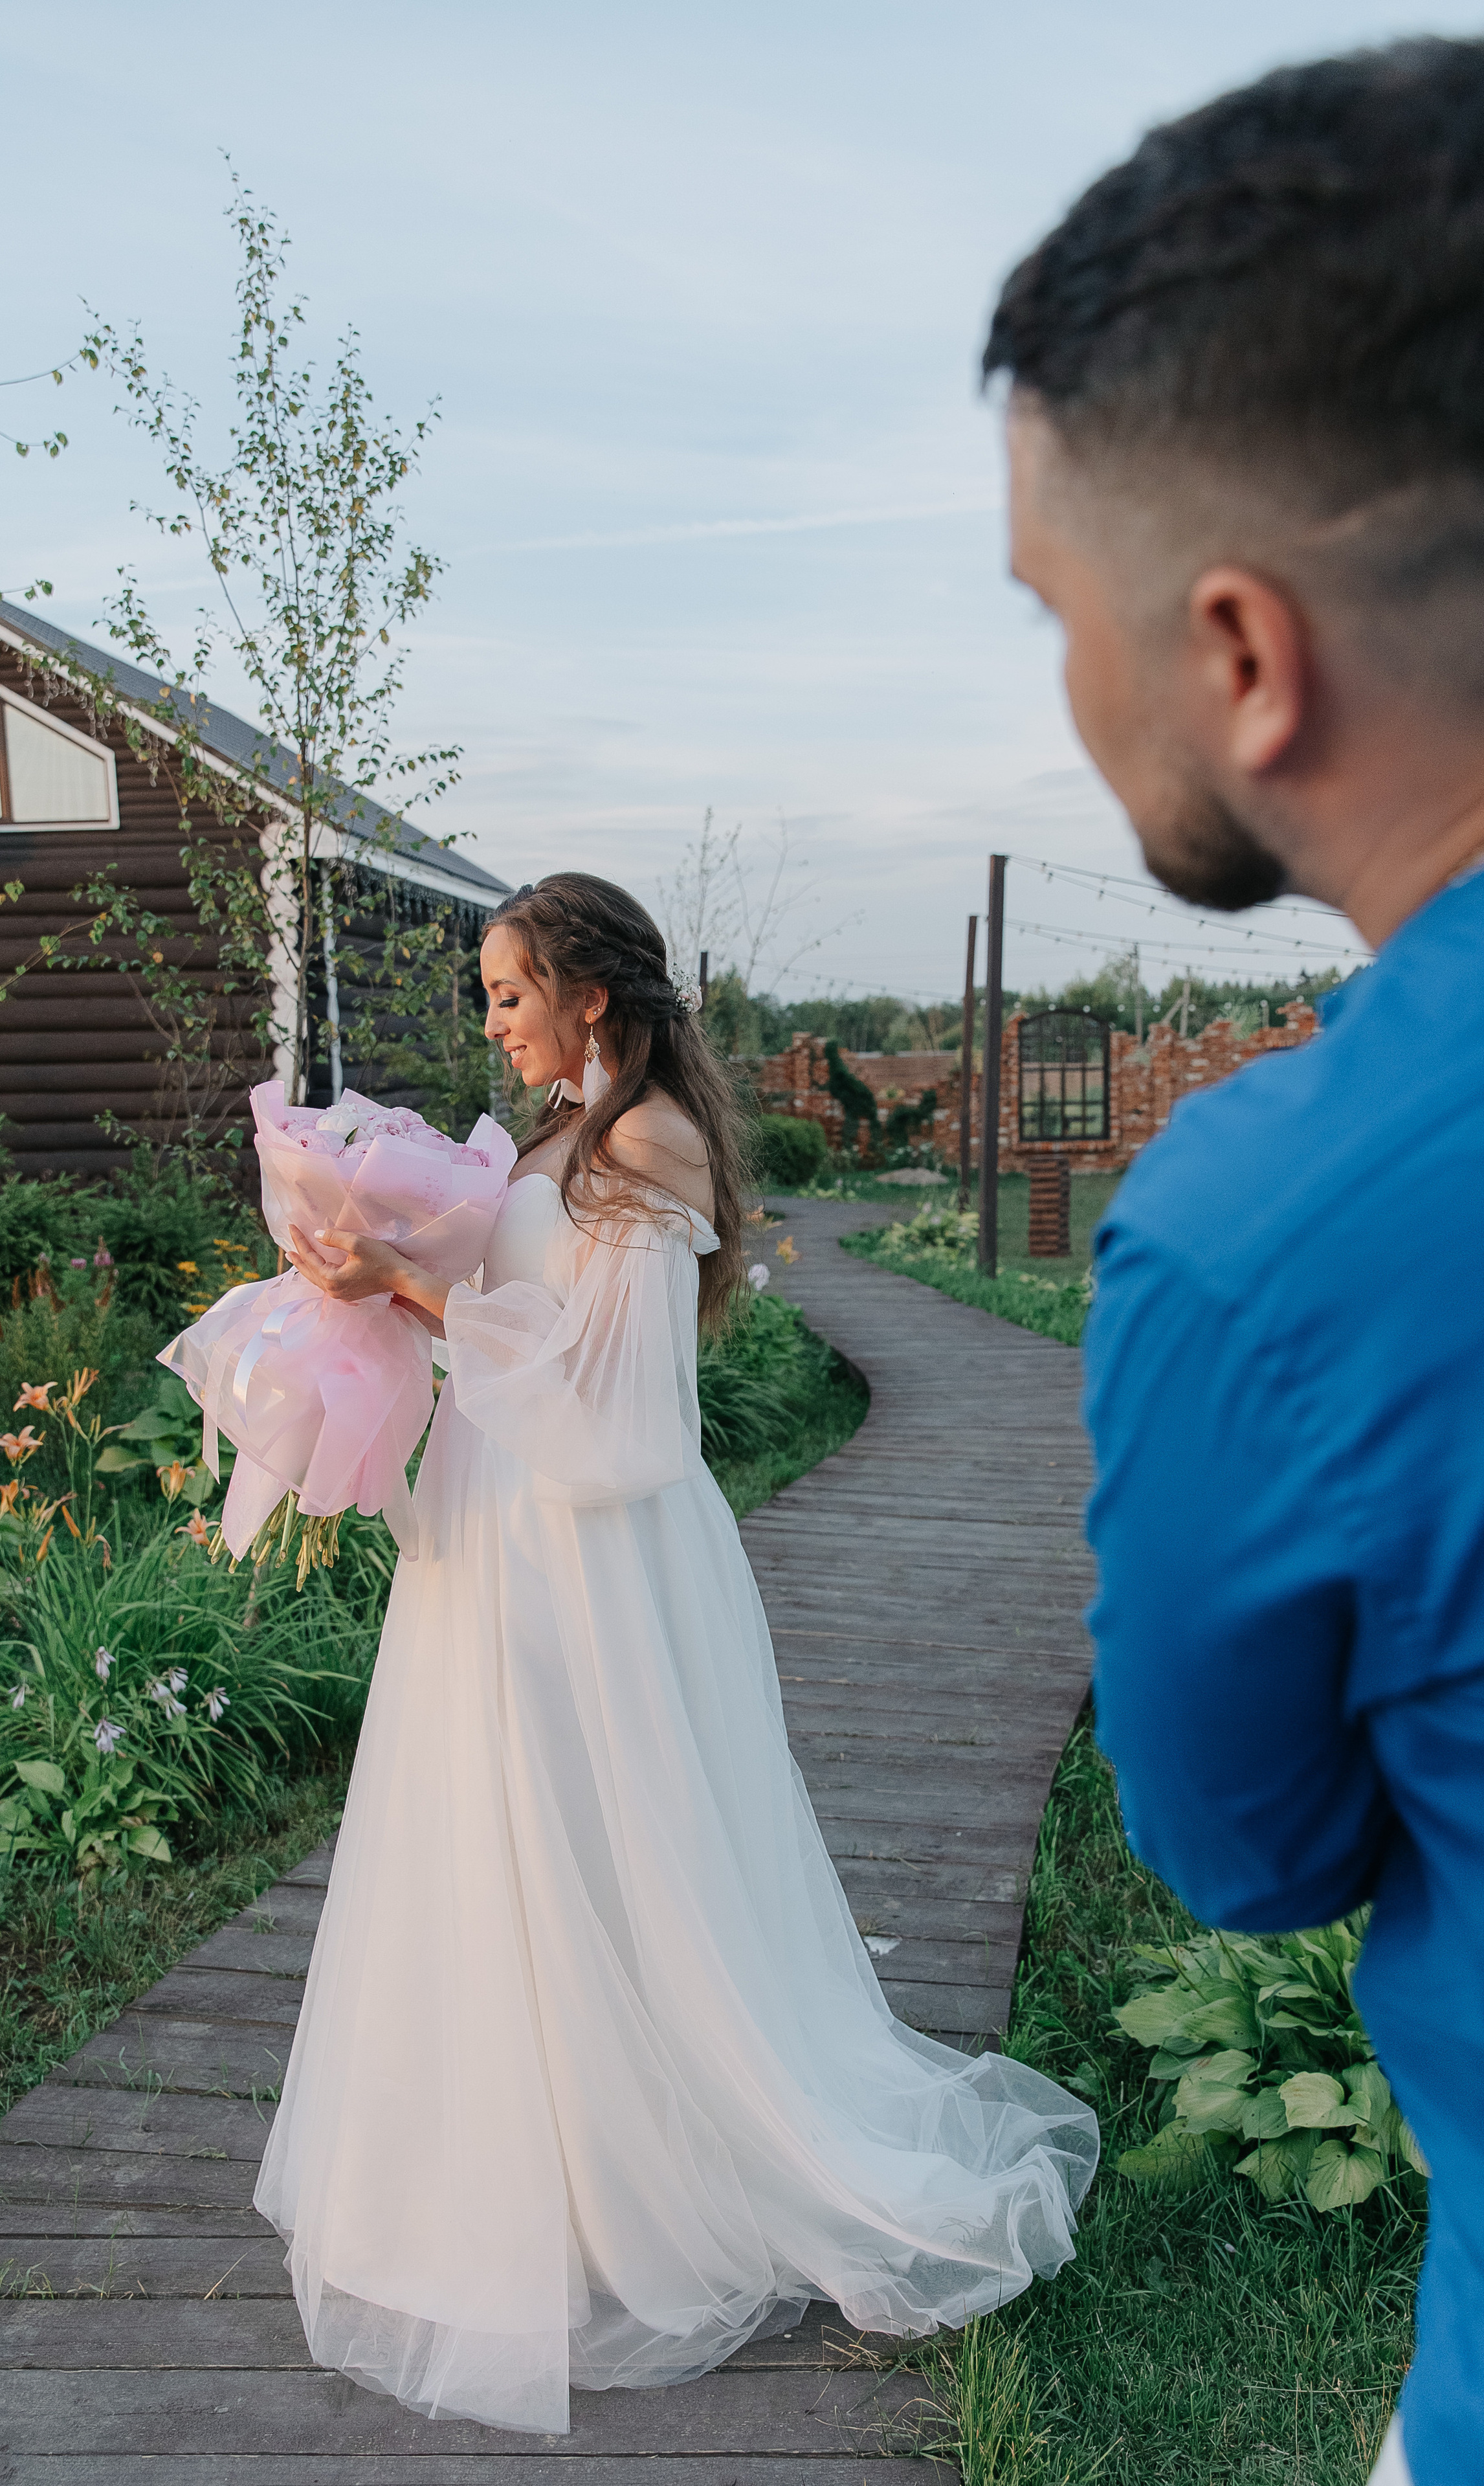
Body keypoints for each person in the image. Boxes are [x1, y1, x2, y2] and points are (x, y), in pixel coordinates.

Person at [982, 35, 1484, 2486]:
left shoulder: (1269, 1237)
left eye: (1056, 609)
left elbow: (1243, 1845)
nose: (1068, 679)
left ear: (1241, 649)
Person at [255, 871, 1096, 2434]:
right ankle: (543, 2163)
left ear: (588, 988)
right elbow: (527, 1321)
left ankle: (649, 2172)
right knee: (507, 1839)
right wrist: (371, 1263)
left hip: (591, 1555)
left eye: (508, 991)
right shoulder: (573, 1131)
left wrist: (418, 1289)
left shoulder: (649, 1143)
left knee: (603, 1837)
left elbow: (628, 1419)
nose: (491, 1020)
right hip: (504, 1533)